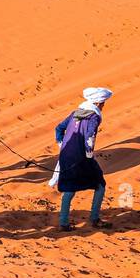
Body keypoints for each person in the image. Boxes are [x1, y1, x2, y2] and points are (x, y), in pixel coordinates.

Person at [51, 87, 113, 230]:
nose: (103, 106)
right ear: (97, 103)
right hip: (81, 157)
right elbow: (90, 136)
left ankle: (63, 223)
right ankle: (94, 218)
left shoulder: (75, 113)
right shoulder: (94, 117)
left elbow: (58, 128)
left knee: (70, 188)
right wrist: (89, 154)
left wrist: (62, 144)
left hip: (66, 156)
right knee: (100, 184)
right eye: (103, 103)